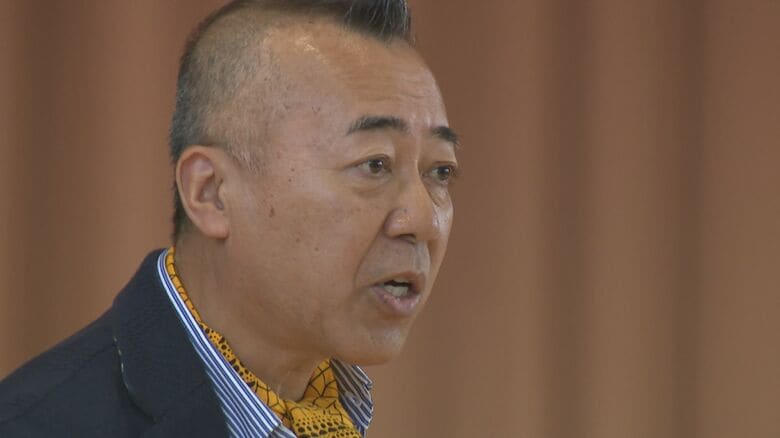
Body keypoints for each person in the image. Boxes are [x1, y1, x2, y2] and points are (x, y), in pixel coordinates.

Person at [0, 0, 459, 436]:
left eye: (440, 171)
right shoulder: (35, 426)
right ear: (211, 193)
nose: (424, 221)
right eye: (375, 164)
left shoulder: (329, 413)